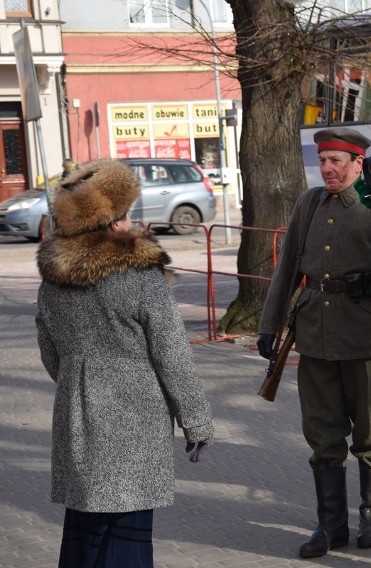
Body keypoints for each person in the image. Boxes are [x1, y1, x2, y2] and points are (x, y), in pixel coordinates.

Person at [35, 159, 214, 568]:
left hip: (76, 419)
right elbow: (172, 356)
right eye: (126, 213)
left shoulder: (52, 281)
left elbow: (50, 353)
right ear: (111, 222)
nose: (131, 221)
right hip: (135, 418)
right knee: (127, 535)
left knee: (84, 532)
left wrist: (78, 383)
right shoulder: (140, 278)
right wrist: (197, 422)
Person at [256, 128, 371, 558]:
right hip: (314, 332)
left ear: (359, 163)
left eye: (338, 160)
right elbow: (287, 270)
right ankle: (331, 524)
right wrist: (270, 324)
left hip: (366, 333)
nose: (329, 168)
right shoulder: (308, 203)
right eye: (324, 159)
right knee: (322, 431)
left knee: (370, 430)